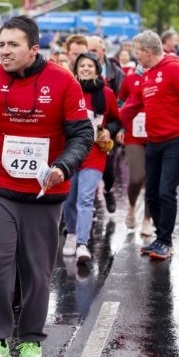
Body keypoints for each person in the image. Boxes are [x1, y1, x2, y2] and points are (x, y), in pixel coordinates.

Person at [0, 15, 93, 357]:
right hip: (0, 185)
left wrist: (63, 165)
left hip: (45, 191)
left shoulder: (62, 80)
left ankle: (30, 340)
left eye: (13, 44)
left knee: (36, 269)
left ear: (34, 48)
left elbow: (82, 134)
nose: (4, 51)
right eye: (1, 44)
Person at [120, 30, 179, 260]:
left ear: (147, 51)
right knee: (152, 193)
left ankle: (166, 240)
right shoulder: (147, 75)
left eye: (137, 52)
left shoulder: (174, 69)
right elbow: (132, 104)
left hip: (175, 141)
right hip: (152, 141)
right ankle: (158, 237)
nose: (136, 56)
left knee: (166, 192)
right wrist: (115, 124)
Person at [62, 52, 120, 263]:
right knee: (69, 199)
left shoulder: (106, 94)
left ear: (97, 69)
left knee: (85, 198)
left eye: (90, 66)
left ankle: (82, 244)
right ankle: (71, 233)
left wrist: (109, 131)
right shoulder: (68, 90)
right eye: (82, 66)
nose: (86, 69)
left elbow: (116, 120)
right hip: (69, 153)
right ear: (76, 69)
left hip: (94, 154)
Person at [87, 36, 124, 214]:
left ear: (103, 50)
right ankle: (87, 205)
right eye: (88, 50)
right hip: (86, 129)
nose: (90, 54)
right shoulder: (82, 69)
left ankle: (108, 190)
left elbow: (122, 102)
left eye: (94, 50)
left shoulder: (115, 73)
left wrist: (116, 129)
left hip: (107, 128)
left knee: (108, 169)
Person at [116, 64, 153, 236]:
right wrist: (121, 128)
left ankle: (147, 219)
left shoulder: (162, 75)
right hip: (134, 134)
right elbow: (121, 104)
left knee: (153, 180)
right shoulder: (130, 79)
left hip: (157, 134)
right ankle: (131, 206)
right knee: (137, 176)